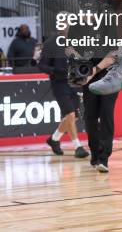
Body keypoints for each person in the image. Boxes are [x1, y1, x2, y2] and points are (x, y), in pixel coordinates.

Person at [39, 30, 89, 159]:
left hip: (75, 82)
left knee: (74, 117)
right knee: (70, 115)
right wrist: (56, 71)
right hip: (59, 84)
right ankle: (77, 146)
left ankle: (54, 139)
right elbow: (42, 66)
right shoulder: (50, 43)